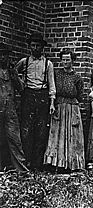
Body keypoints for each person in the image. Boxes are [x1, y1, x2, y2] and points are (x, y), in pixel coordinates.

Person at [15, 32, 55, 171]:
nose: (35, 48)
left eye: (38, 45)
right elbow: (14, 73)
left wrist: (51, 103)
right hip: (28, 96)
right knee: (26, 131)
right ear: (29, 46)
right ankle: (26, 163)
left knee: (41, 131)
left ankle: (37, 165)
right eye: (33, 45)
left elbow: (52, 84)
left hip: (43, 97)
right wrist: (21, 85)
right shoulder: (24, 61)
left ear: (42, 47)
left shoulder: (48, 64)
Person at [44, 49, 85, 171]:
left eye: (68, 59)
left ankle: (72, 164)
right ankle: (57, 164)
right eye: (63, 59)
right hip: (59, 106)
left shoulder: (77, 77)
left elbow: (80, 94)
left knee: (72, 135)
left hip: (72, 107)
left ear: (73, 61)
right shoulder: (57, 74)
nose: (65, 62)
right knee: (57, 134)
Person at [0, 43, 28, 172]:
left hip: (10, 109)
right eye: (0, 55)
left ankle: (21, 169)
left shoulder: (11, 71)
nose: (2, 58)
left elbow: (21, 88)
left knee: (15, 139)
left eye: (5, 55)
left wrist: (14, 75)